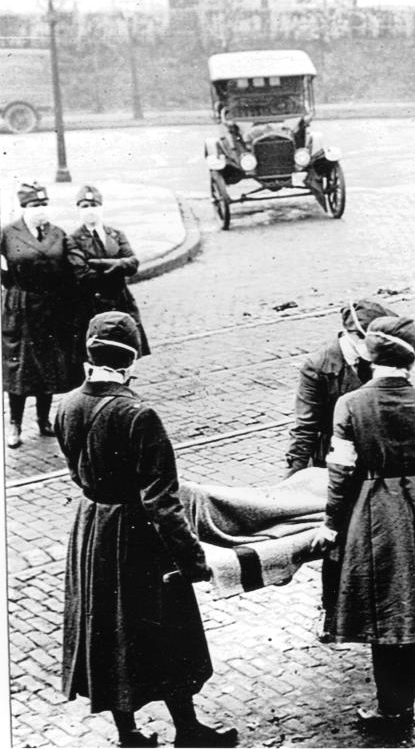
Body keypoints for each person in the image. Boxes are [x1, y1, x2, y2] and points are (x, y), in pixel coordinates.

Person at [56, 312, 236, 748]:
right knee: (168, 629)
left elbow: (78, 477)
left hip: (93, 530)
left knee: (106, 629)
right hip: (138, 538)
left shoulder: (66, 405)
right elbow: (162, 502)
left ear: (89, 354)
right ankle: (188, 731)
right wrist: (193, 561)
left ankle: (129, 733)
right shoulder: (139, 414)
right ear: (131, 360)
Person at [309, 315, 415, 746]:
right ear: (411, 356)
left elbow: (340, 472)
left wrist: (332, 523)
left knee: (384, 608)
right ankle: (403, 702)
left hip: (373, 512)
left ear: (370, 354)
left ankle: (389, 708)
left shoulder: (350, 404)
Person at [1, 182, 81, 448]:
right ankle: (15, 424)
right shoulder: (8, 233)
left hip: (50, 310)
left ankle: (43, 420)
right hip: (21, 309)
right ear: (24, 207)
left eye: (44, 204)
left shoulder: (57, 233)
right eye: (35, 205)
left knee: (47, 368)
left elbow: (71, 268)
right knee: (20, 369)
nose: (41, 210)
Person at [284, 299, 397, 477]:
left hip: (378, 455)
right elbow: (305, 428)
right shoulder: (318, 366)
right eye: (366, 339)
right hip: (335, 459)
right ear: (350, 333)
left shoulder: (383, 356)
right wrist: (290, 482)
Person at [66, 184, 150, 355]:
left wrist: (100, 263)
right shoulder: (73, 240)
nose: (90, 210)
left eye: (94, 205)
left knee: (127, 348)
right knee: (99, 352)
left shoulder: (116, 234)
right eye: (85, 206)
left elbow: (133, 263)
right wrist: (119, 264)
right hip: (93, 305)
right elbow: (84, 275)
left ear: (101, 207)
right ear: (78, 210)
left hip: (121, 301)